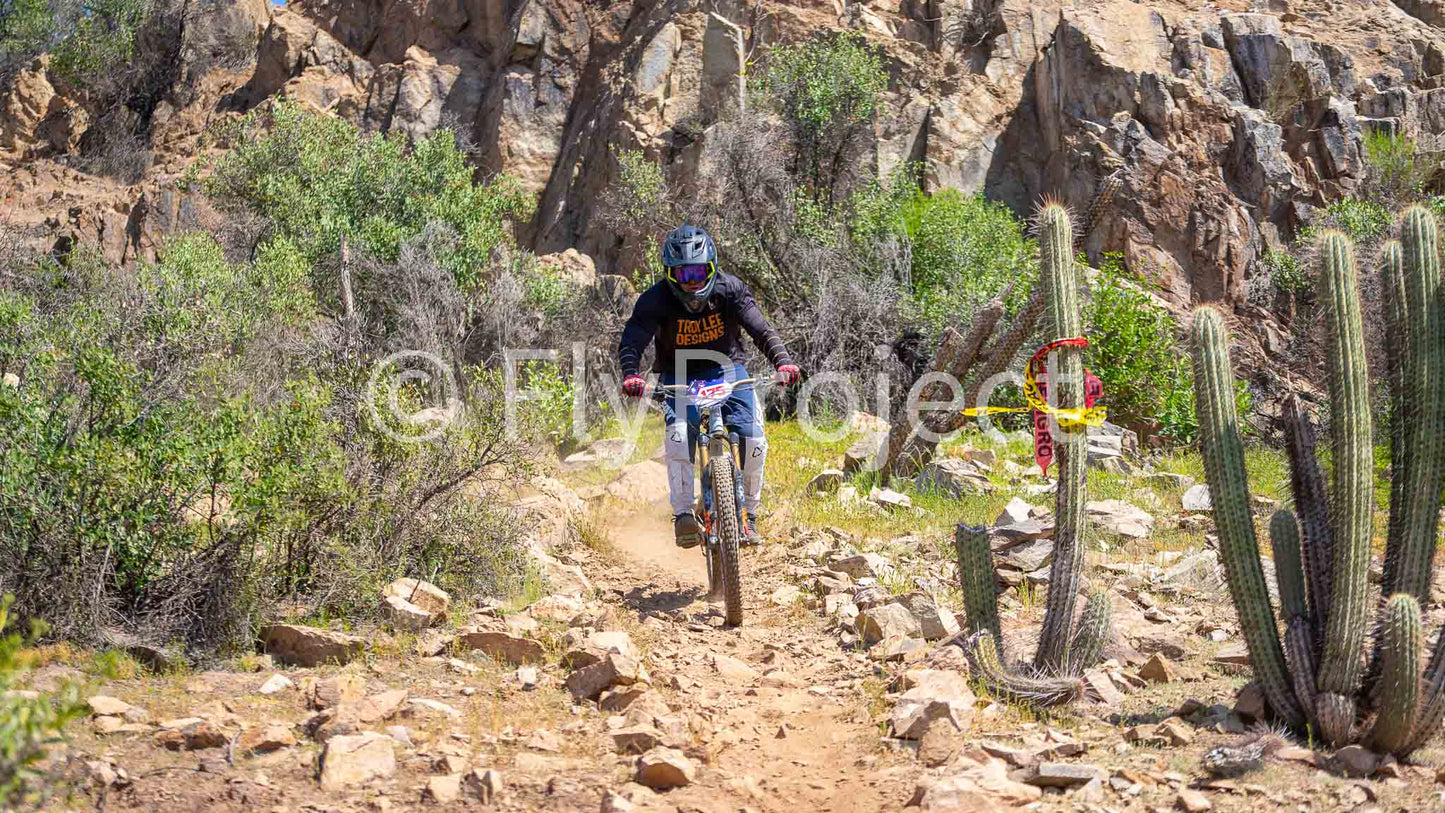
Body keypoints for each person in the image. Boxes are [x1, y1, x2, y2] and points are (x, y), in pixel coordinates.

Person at [619, 225, 800, 549]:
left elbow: (761, 329)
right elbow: (633, 339)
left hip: (727, 368)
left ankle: (749, 516)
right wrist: (631, 374)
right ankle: (683, 514)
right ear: (670, 274)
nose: (692, 281)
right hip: (678, 374)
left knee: (754, 439)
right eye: (683, 273)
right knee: (678, 435)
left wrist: (782, 362)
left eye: (699, 271)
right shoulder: (656, 300)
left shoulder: (729, 290)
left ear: (712, 266)